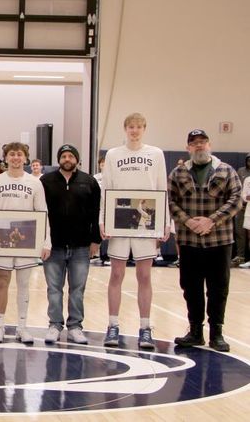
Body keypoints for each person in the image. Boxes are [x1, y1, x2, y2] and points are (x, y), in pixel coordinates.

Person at [99, 112, 169, 349]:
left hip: (147, 221)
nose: (135, 130)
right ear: (125, 128)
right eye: (131, 126)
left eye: (139, 126)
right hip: (119, 217)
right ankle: (113, 325)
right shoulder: (113, 154)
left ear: (145, 128)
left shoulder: (156, 154)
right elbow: (106, 189)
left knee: (145, 276)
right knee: (116, 274)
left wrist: (165, 222)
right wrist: (103, 220)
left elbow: (162, 189)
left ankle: (145, 327)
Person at [169, 129, 241, 352]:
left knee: (218, 288)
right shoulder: (178, 173)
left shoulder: (226, 171)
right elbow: (170, 202)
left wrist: (212, 221)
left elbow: (236, 200)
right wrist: (189, 222)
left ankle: (217, 333)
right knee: (191, 288)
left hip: (219, 241)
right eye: (194, 143)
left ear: (209, 145)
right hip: (189, 241)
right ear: (188, 147)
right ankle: (195, 331)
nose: (199, 146)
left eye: (203, 142)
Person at [0, 142, 51, 344]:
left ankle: (22, 327)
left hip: (27, 240)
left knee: (24, 285)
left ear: (26, 158)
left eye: (20, 154)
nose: (16, 157)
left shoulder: (35, 183)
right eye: (12, 154)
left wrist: (47, 242)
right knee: (2, 282)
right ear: (6, 158)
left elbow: (43, 213)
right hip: (1, 239)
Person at [40, 144, 101, 344]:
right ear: (59, 159)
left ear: (76, 159)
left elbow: (95, 213)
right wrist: (42, 241)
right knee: (54, 289)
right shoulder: (46, 181)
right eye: (64, 156)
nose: (67, 159)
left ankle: (75, 326)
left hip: (81, 246)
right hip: (54, 246)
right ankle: (54, 325)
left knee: (77, 289)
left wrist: (95, 241)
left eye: (71, 156)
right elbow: (40, 213)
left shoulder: (89, 182)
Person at [232, 153, 250, 266]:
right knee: (240, 232)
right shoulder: (241, 171)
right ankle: (240, 256)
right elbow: (237, 189)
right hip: (241, 207)